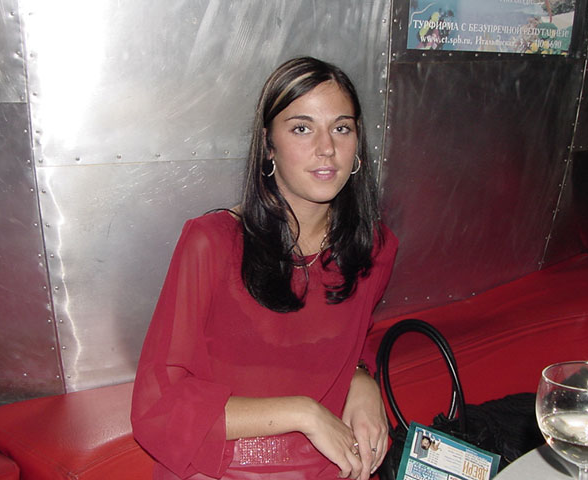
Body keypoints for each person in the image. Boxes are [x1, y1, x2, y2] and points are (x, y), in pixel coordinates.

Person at [131, 56, 398, 480]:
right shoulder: (214, 243)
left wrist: (363, 379)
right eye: (302, 128)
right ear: (269, 146)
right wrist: (303, 413)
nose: (326, 148)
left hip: (329, 467)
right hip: (221, 468)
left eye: (341, 128)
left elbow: (350, 340)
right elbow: (157, 404)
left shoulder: (373, 248)